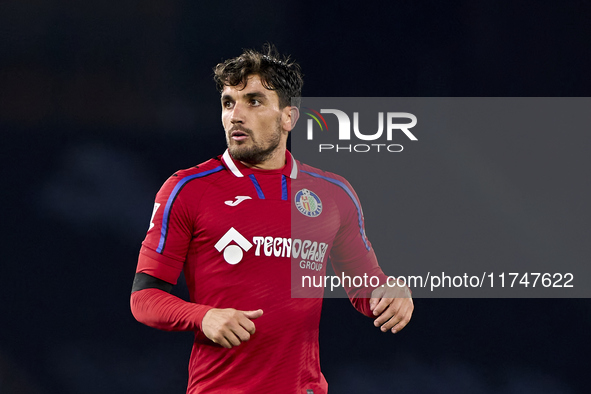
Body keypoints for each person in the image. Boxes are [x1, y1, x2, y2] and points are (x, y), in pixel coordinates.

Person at [130, 45, 414, 394]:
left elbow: (366, 286)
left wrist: (391, 293)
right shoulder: (187, 189)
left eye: (254, 101)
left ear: (288, 117)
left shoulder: (334, 193)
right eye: (228, 102)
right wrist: (203, 316)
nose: (236, 115)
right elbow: (144, 299)